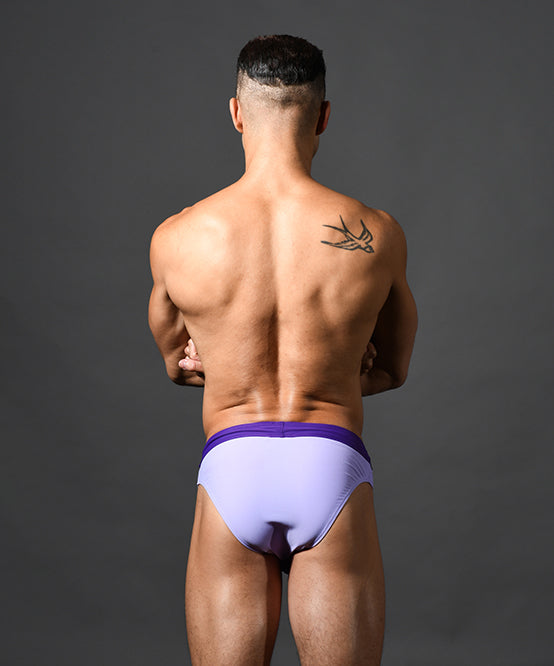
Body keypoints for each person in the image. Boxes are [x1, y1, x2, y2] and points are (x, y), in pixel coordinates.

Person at [148, 34, 417, 666]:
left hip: (233, 462)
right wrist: (337, 368)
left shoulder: (178, 237)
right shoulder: (375, 233)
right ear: (323, 116)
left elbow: (179, 366)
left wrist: (227, 364)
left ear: (236, 113)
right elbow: (394, 367)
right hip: (330, 461)